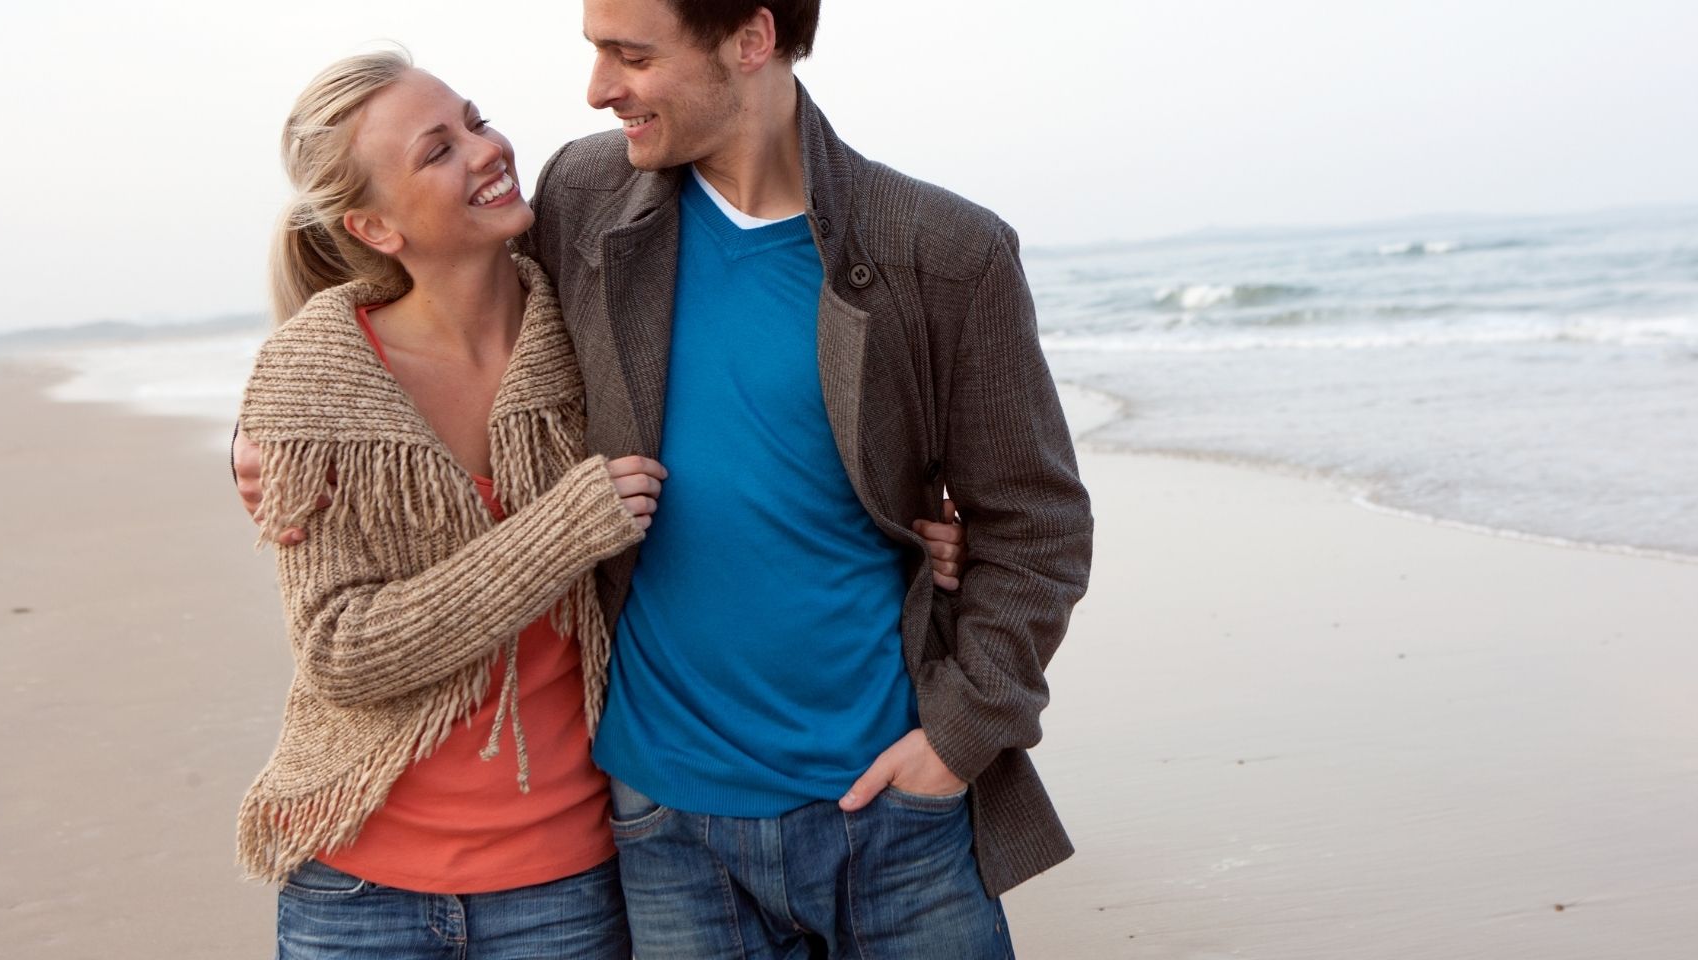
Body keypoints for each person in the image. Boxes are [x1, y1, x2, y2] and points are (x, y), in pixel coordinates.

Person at [231, 49, 966, 959]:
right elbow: (341, 654)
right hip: (357, 879)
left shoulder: (589, 322)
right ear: (374, 226)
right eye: (438, 150)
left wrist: (913, 530)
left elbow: (758, 447)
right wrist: (562, 530)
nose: (486, 148)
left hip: (565, 876)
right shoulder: (319, 381)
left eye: (474, 118)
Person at [520, 0, 1095, 955]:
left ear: (750, 39)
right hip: (665, 824)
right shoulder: (585, 194)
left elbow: (1035, 526)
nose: (598, 89)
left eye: (630, 55)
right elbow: (439, 312)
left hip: (896, 816)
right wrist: (281, 418)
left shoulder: (943, 251)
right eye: (595, 53)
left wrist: (957, 740)